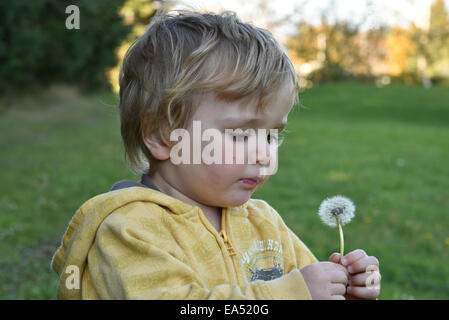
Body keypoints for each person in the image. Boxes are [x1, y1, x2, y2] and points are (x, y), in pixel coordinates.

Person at [51, 10, 381, 300]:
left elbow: (306, 286)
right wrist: (292, 294)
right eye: (240, 134)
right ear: (162, 136)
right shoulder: (130, 230)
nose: (265, 154)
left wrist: (342, 289)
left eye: (272, 135)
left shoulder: (263, 223)